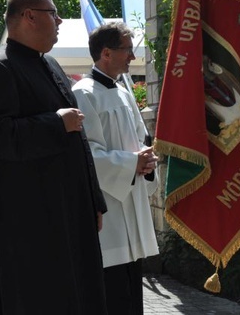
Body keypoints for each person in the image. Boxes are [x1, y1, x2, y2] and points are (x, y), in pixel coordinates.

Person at [0, 0, 107, 314]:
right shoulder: (0, 69)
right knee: (41, 296)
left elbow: (78, 135)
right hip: (31, 218)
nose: (60, 21)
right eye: (53, 14)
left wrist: (93, 199)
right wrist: (54, 123)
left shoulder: (50, 64)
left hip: (70, 207)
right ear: (29, 17)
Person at [72, 22, 159, 315]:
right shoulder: (83, 93)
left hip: (130, 200)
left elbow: (139, 139)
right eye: (127, 49)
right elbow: (87, 154)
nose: (132, 56)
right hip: (108, 206)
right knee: (112, 293)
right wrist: (132, 162)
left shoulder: (123, 91)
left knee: (132, 287)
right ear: (106, 52)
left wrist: (147, 161)